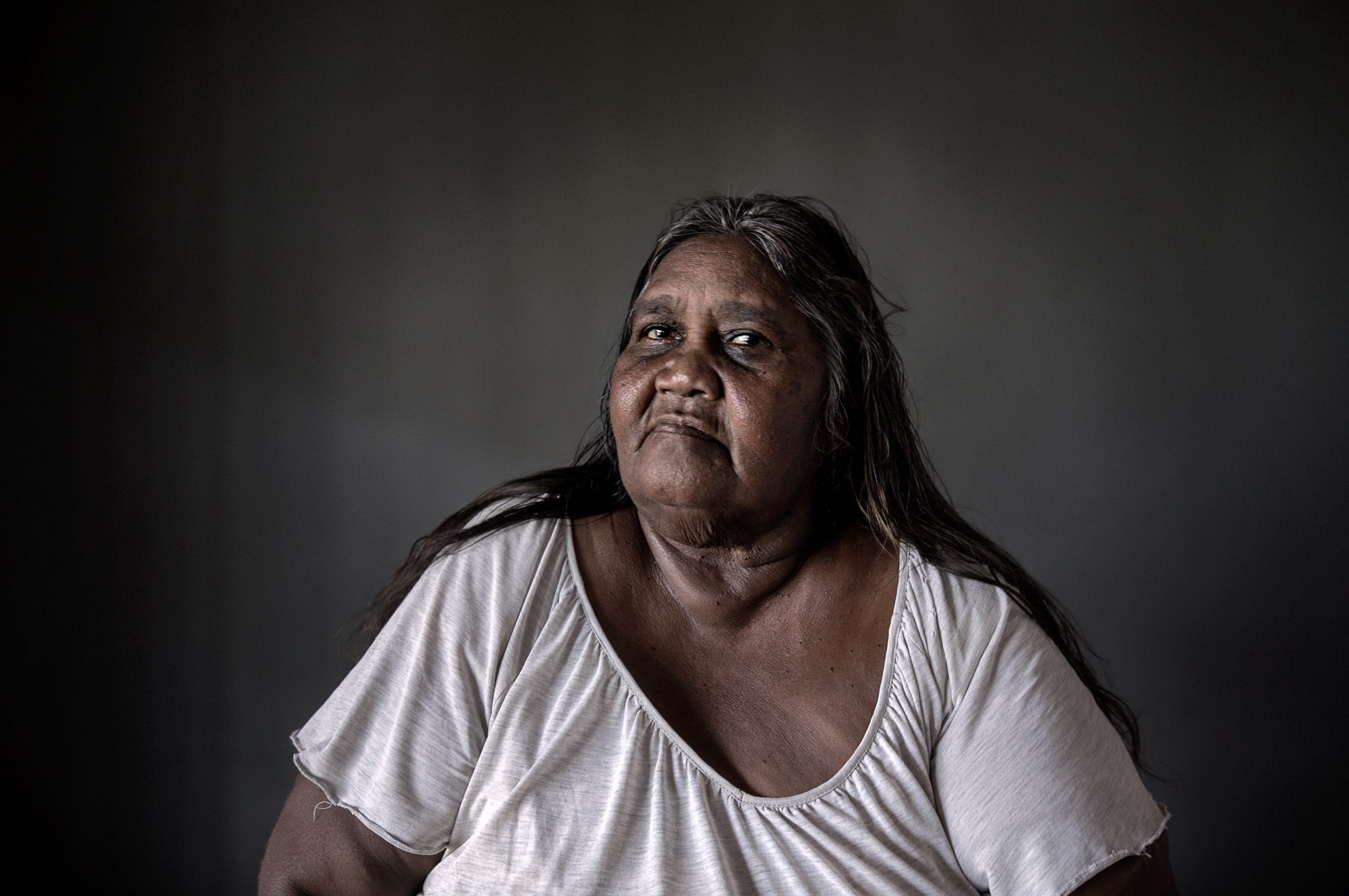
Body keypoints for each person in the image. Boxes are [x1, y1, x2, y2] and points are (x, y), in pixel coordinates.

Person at [259, 194, 1177, 895]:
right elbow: (317, 878)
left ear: (836, 411)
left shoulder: (955, 643)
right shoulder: (501, 589)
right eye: (656, 333)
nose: (682, 371)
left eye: (744, 343)